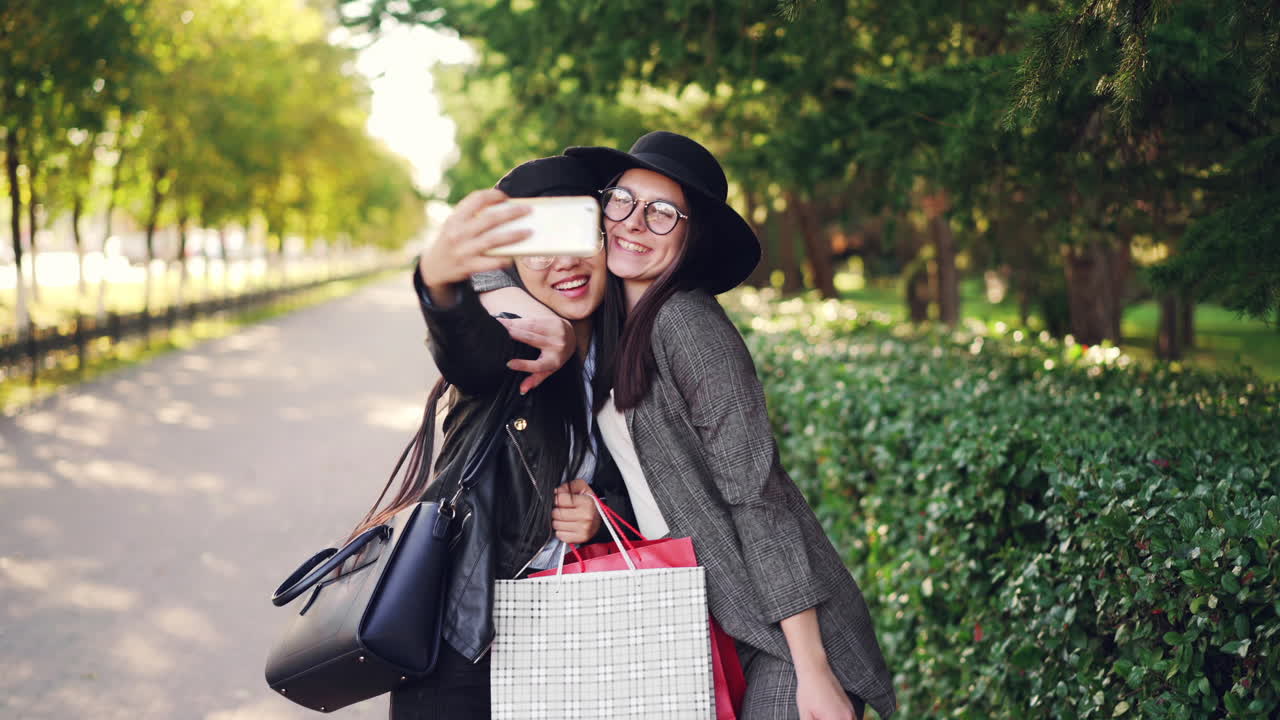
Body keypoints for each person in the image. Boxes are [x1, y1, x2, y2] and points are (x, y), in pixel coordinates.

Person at [474, 132, 896, 719]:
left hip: (780, 633)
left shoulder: (688, 326)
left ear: (691, 235)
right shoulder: (613, 314)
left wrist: (813, 669)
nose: (633, 224)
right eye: (622, 201)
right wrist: (507, 307)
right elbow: (489, 268)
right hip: (707, 616)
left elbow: (758, 498)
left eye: (663, 213)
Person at [350, 155, 635, 720]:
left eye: (577, 236)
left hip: (585, 635)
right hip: (469, 637)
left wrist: (603, 512)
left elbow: (659, 480)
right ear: (511, 267)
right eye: (537, 248)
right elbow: (469, 352)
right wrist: (438, 279)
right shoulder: (512, 337)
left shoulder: (632, 350)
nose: (564, 264)